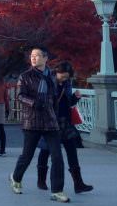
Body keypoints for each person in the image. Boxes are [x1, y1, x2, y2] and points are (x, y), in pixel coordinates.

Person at [9, 46, 69, 203]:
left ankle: (57, 190)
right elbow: (20, 96)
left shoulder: (52, 77)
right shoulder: (25, 76)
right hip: (32, 120)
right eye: (31, 56)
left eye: (37, 55)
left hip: (50, 120)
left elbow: (56, 98)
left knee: (57, 156)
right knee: (27, 156)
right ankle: (16, 178)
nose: (33, 58)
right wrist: (33, 102)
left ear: (45, 58)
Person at [35, 60, 93, 193]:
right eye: (63, 75)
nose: (65, 78)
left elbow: (68, 102)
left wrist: (75, 97)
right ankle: (41, 179)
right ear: (57, 72)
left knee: (72, 150)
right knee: (46, 150)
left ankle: (78, 183)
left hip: (65, 121)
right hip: (51, 121)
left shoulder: (67, 84)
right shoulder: (48, 82)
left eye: (67, 76)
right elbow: (42, 101)